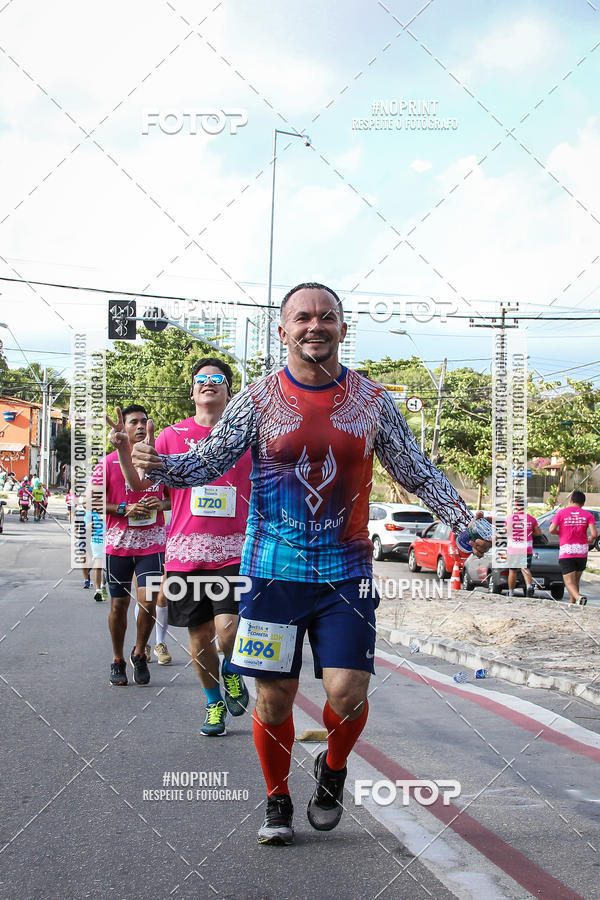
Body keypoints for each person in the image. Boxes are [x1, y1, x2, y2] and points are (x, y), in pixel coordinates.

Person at [116, 282, 490, 845]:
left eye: (327, 317)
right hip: (272, 575)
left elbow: (414, 469)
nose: (315, 326)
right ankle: (276, 798)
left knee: (348, 693)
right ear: (284, 330)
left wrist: (461, 519)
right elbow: (209, 461)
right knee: (273, 698)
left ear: (342, 328)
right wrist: (158, 463)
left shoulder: (372, 400)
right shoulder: (259, 399)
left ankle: (332, 769)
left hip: (348, 574)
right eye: (302, 318)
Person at [111, 359, 252, 735]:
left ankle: (233, 671)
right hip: (186, 555)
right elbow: (141, 485)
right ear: (192, 392)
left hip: (233, 552)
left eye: (217, 379)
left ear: (228, 391)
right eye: (201, 380)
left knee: (229, 630)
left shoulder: (244, 436)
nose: (209, 384)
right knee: (199, 637)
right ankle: (213, 704)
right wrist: (126, 450)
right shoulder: (172, 436)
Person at [91, 404, 169, 686]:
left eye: (144, 421)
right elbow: (94, 501)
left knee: (148, 602)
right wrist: (124, 508)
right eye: (133, 421)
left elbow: (176, 498)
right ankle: (117, 659)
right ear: (122, 428)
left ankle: (139, 652)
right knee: (119, 605)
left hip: (152, 545)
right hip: (119, 546)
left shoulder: (161, 462)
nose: (139, 426)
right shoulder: (108, 462)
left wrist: (161, 503)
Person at [549, 490, 598, 605]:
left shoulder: (561, 513)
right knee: (576, 581)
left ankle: (578, 597)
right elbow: (594, 534)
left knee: (569, 582)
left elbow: (551, 529)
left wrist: (561, 532)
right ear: (583, 503)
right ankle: (572, 604)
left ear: (571, 500)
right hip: (582, 551)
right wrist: (590, 539)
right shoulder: (588, 515)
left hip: (567, 551)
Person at [506, 509, 542, 597]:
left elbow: (506, 531)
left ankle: (511, 592)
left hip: (513, 548)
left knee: (512, 571)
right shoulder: (531, 519)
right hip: (526, 548)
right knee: (525, 569)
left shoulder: (510, 518)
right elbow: (538, 533)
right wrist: (529, 532)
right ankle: (529, 587)